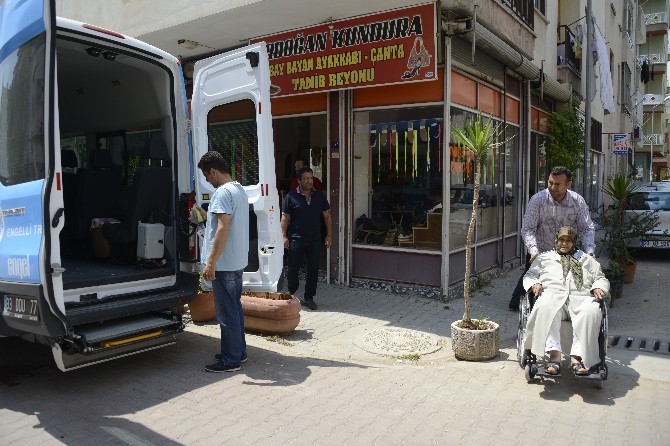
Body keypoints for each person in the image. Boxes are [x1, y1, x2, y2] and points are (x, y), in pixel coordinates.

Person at [523, 226, 609, 375]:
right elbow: (529, 275)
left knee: (592, 311)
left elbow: (601, 278)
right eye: (561, 240)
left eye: (568, 241)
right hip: (554, 297)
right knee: (545, 305)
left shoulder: (586, 259)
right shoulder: (545, 258)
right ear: (556, 240)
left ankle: (576, 359)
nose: (564, 243)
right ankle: (555, 358)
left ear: (574, 242)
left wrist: (597, 286)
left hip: (581, 300)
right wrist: (535, 283)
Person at [508, 166, 596, 310]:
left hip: (567, 253)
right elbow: (528, 228)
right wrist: (533, 251)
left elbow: (586, 229)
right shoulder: (538, 200)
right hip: (540, 253)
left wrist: (590, 252)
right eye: (550, 183)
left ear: (568, 184)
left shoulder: (578, 201)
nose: (552, 187)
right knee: (521, 298)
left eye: (557, 184)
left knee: (567, 286)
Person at [198, 151, 249, 373]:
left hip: (224, 263)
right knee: (235, 309)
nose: (207, 180)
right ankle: (239, 352)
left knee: (227, 312)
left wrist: (211, 263)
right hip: (236, 261)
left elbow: (222, 228)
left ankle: (231, 360)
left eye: (206, 176)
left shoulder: (221, 193)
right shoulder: (239, 190)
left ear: (213, 171)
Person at [281, 166, 332, 310]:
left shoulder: (319, 196)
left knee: (313, 269)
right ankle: (291, 292)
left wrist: (329, 235)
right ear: (299, 181)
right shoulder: (290, 197)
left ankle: (309, 297)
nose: (310, 181)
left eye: (311, 178)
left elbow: (327, 216)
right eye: (306, 179)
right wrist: (283, 236)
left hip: (315, 238)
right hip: (296, 238)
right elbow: (285, 218)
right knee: (292, 269)